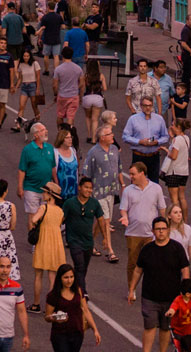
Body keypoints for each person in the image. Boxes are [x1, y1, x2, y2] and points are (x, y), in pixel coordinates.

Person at [129, 216, 191, 352]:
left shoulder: (177, 248)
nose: (161, 232)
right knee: (149, 327)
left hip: (171, 298)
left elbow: (185, 268)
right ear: (153, 231)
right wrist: (131, 289)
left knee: (165, 328)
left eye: (163, 229)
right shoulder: (147, 249)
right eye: (158, 229)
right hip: (149, 297)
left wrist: (186, 289)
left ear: (168, 230)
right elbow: (138, 270)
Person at [120, 161, 168, 288]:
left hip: (151, 234)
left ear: (142, 173)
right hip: (133, 233)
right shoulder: (128, 191)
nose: (131, 176)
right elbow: (123, 209)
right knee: (132, 263)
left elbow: (162, 209)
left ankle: (150, 287)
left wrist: (164, 227)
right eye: (130, 174)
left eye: (133, 174)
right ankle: (132, 288)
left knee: (152, 263)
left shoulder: (156, 188)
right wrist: (124, 218)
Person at [81, 125, 123, 261]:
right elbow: (86, 172)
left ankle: (89, 243)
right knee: (105, 220)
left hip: (111, 190)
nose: (112, 136)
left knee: (104, 219)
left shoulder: (115, 149)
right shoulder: (93, 152)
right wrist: (86, 191)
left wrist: (122, 184)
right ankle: (110, 250)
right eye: (110, 134)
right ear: (102, 138)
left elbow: (119, 168)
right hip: (98, 191)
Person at [61, 176, 105, 293]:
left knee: (83, 269)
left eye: (91, 188)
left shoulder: (94, 203)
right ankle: (83, 293)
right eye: (86, 187)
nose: (89, 190)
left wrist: (105, 238)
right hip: (73, 240)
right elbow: (61, 219)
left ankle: (75, 289)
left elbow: (101, 220)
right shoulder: (70, 203)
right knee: (79, 266)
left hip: (88, 242)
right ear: (79, 188)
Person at [44, 263, 101, 352]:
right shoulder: (53, 295)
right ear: (60, 278)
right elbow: (47, 316)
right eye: (66, 277)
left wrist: (95, 330)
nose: (69, 280)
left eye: (71, 277)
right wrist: (53, 318)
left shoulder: (78, 291)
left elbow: (85, 310)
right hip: (60, 335)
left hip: (77, 333)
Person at [28, 181, 66, 313]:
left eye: (45, 192)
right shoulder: (60, 211)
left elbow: (34, 220)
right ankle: (50, 306)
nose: (43, 194)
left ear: (50, 195)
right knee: (53, 278)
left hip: (43, 243)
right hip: (56, 244)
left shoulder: (43, 208)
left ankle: (36, 304)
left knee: (38, 276)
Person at [124, 94, 170, 183]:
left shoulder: (159, 119)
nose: (148, 108)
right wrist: (139, 141)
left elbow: (165, 136)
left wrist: (157, 142)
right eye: (145, 105)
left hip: (154, 156)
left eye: (150, 105)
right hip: (139, 156)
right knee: (136, 182)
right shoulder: (133, 119)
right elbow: (125, 137)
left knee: (154, 183)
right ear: (141, 106)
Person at [17, 122, 56, 214]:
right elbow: (22, 170)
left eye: (45, 129)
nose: (46, 131)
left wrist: (56, 183)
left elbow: (53, 167)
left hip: (47, 190)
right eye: (42, 130)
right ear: (36, 135)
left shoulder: (50, 148)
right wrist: (20, 187)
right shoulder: (27, 150)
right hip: (31, 189)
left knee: (44, 216)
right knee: (33, 218)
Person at [163, 117, 191, 220]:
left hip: (174, 172)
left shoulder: (177, 140)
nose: (171, 126)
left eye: (173, 125)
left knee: (174, 199)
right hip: (184, 172)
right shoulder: (186, 138)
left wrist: (166, 150)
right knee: (182, 197)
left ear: (178, 127)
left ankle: (177, 220)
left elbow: (174, 156)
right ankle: (185, 220)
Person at [165, 278, 191, 350]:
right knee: (181, 348)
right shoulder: (178, 300)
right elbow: (173, 308)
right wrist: (170, 312)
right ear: (188, 294)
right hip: (178, 331)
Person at [80, 58, 106, 144]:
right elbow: (105, 88)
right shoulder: (101, 75)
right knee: (95, 119)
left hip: (87, 97)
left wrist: (80, 98)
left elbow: (82, 88)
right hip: (97, 97)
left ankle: (89, 135)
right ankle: (94, 139)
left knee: (88, 117)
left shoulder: (86, 76)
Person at [54, 129, 79, 200]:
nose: (70, 139)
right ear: (61, 139)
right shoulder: (55, 153)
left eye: (71, 137)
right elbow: (53, 171)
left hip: (74, 190)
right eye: (67, 138)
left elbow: (76, 169)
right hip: (61, 191)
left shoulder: (73, 150)